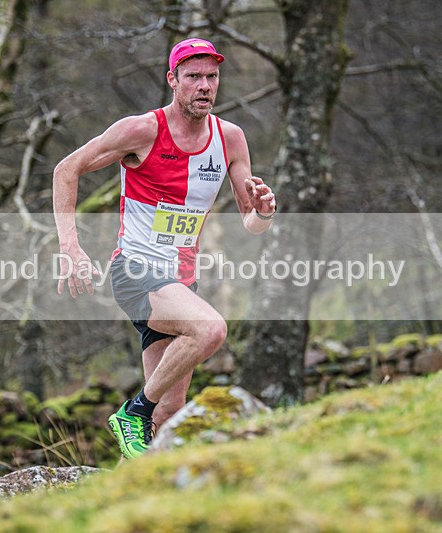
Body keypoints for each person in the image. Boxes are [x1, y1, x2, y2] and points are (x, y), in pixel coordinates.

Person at [53, 37, 277, 459]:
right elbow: (67, 169)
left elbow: (251, 222)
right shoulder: (141, 130)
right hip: (136, 270)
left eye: (212, 77)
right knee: (210, 329)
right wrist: (71, 247)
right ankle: (132, 412)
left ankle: (128, 496)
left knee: (169, 415)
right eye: (193, 77)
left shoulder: (230, 139)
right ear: (173, 79)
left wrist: (264, 211)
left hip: (180, 282)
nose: (205, 86)